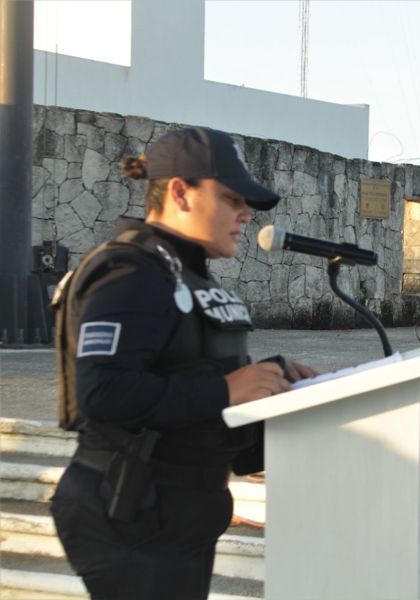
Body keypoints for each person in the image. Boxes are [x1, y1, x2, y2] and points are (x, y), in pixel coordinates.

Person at [50, 127, 316, 599]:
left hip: (177, 512)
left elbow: (186, 370)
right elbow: (102, 393)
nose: (245, 215)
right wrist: (227, 391)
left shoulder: (184, 273)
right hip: (130, 514)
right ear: (179, 191)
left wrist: (271, 380)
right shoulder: (132, 273)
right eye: (232, 199)